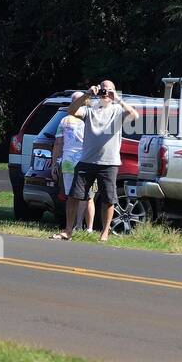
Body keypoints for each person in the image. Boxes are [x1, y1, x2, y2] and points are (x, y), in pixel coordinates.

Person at [68, 79, 139, 242]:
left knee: (108, 199)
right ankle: (68, 231)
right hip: (87, 161)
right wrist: (86, 94)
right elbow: (71, 111)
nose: (105, 92)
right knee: (74, 195)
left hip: (110, 162)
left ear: (114, 92)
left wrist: (118, 99)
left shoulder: (117, 110)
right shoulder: (90, 108)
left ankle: (104, 233)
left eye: (109, 90)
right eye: (103, 89)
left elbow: (135, 115)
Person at [51, 91, 95, 240]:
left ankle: (75, 227)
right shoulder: (91, 118)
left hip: (70, 160)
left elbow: (58, 144)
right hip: (85, 160)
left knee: (72, 195)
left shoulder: (64, 120)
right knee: (87, 196)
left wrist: (54, 164)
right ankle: (86, 228)